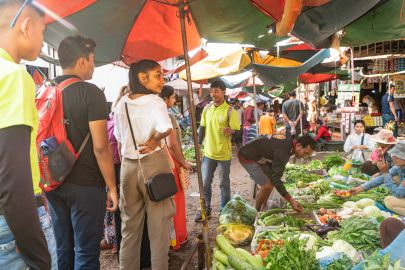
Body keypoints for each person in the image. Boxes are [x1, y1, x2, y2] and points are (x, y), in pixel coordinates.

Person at [45, 35, 118, 270]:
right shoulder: (91, 93)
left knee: (63, 247)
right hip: (85, 185)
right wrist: (112, 186)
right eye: (93, 60)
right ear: (82, 61)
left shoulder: (47, 91)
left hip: (53, 182)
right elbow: (101, 146)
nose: (94, 66)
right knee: (86, 252)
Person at [0, 1, 52, 269]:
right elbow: (12, 176)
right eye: (43, 31)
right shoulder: (14, 76)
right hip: (14, 225)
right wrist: (38, 256)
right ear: (26, 26)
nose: (43, 42)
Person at [114, 59, 174, 269]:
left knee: (129, 228)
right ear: (142, 78)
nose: (162, 80)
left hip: (128, 167)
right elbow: (166, 127)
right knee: (158, 229)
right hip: (154, 165)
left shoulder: (121, 103)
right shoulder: (155, 101)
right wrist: (155, 140)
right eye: (157, 75)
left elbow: (119, 136)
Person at [196, 80, 240, 222]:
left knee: (224, 185)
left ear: (224, 92)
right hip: (208, 153)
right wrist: (197, 144)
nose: (213, 94)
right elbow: (202, 128)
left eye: (217, 91)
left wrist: (232, 131)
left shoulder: (230, 111)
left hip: (223, 154)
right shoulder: (207, 108)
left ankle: (224, 212)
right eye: (212, 91)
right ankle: (205, 210)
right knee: (205, 183)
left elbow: (238, 133)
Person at [238, 135, 316, 211]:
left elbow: (275, 176)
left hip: (259, 156)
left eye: (308, 155)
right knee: (266, 186)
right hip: (247, 156)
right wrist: (291, 200)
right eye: (305, 153)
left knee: (271, 183)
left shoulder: (289, 143)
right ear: (298, 145)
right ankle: (256, 213)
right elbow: (276, 179)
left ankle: (264, 208)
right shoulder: (285, 150)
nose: (305, 156)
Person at [159, 85, 191, 250]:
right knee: (176, 202)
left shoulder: (153, 114)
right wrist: (184, 163)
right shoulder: (168, 116)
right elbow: (172, 145)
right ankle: (177, 238)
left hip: (160, 163)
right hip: (172, 163)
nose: (174, 100)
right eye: (173, 98)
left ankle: (169, 240)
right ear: (165, 99)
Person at [350, 140, 405, 216]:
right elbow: (382, 178)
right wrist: (360, 188)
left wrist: (385, 172)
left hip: (400, 193)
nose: (393, 158)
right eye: (394, 155)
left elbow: (398, 194)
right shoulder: (399, 167)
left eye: (397, 156)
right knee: (394, 177)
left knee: (389, 201)